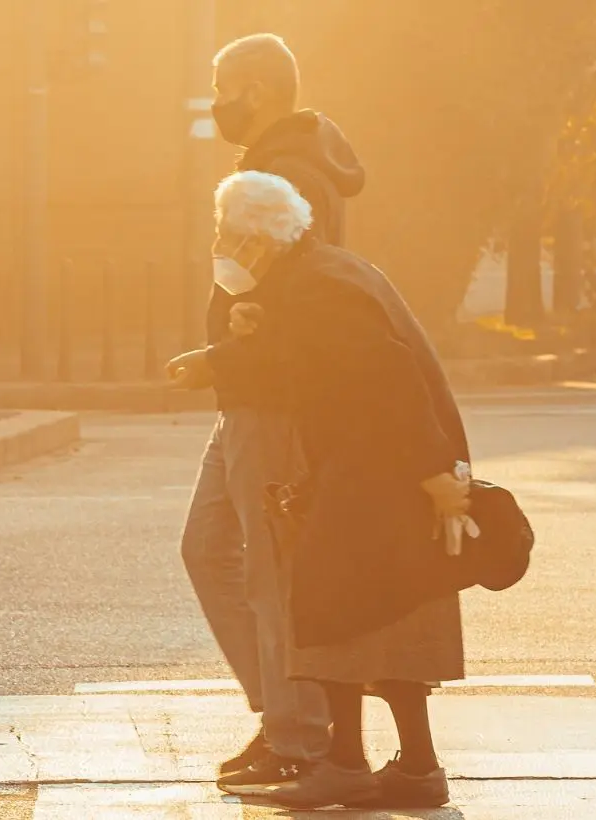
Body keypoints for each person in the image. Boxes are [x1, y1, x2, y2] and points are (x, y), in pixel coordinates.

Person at [168, 171, 472, 810]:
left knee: (332, 611)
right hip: (367, 465)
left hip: (370, 470)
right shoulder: (316, 274)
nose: (221, 244)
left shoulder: (320, 287)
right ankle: (410, 767)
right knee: (379, 619)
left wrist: (435, 473)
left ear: (258, 237)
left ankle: (345, 764)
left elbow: (389, 375)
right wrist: (244, 339)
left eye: (228, 232)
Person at [177, 32, 365, 794]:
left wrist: (223, 357)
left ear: (256, 88)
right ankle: (283, 714)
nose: (218, 102)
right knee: (210, 548)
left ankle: (299, 734)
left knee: (268, 569)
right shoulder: (288, 165)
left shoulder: (288, 175)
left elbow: (284, 305)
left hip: (275, 399)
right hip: (248, 397)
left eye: (225, 86)